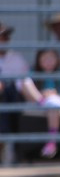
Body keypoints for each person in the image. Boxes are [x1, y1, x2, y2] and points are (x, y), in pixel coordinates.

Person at [18, 49, 60, 159]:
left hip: (58, 101)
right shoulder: (33, 72)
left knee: (53, 103)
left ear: (57, 59)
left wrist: (55, 95)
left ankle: (52, 141)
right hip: (39, 101)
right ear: (39, 60)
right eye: (45, 59)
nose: (48, 61)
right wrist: (43, 96)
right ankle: (43, 102)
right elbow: (24, 87)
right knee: (25, 81)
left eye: (51, 58)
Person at [0, 22, 31, 164]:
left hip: (14, 98)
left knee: (10, 92)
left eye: (6, 37)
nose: (4, 40)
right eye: (1, 37)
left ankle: (8, 141)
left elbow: (23, 82)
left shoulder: (16, 58)